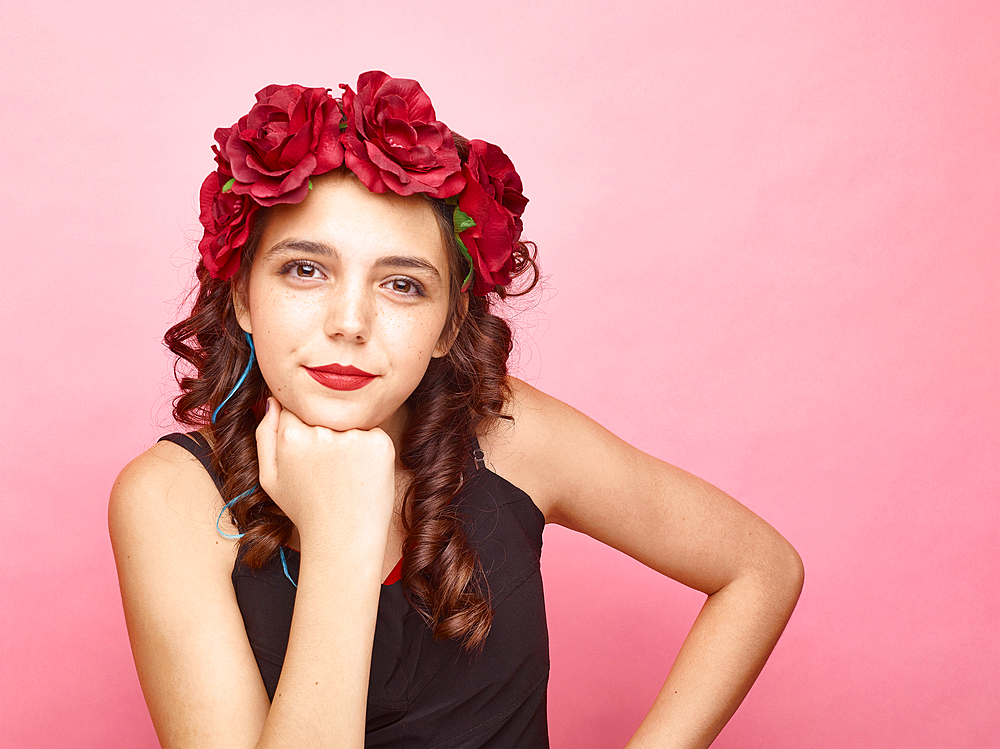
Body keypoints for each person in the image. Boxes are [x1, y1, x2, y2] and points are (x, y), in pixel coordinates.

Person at [109, 72, 804, 749]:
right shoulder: (169, 498)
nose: (350, 322)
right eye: (305, 269)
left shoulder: (509, 434)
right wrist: (342, 536)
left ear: (447, 325)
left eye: (403, 284)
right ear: (241, 298)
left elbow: (759, 567)